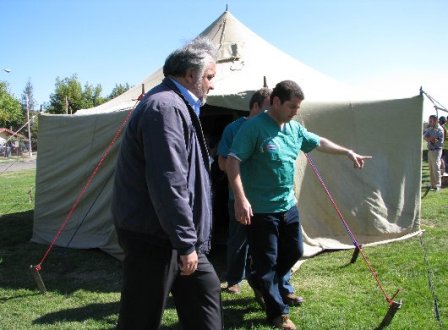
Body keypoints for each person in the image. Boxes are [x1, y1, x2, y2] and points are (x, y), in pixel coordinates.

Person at [226, 80, 372, 330]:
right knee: (268, 261)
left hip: (287, 204)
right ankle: (278, 314)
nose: (296, 111)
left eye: (298, 107)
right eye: (292, 106)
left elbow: (320, 142)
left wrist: (347, 152)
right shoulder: (253, 128)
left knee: (294, 251)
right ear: (275, 102)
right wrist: (241, 199)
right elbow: (232, 161)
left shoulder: (294, 128)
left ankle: (260, 279)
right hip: (260, 209)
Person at [112, 37, 223, 330]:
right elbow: (169, 182)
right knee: (140, 319)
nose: (212, 85)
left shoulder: (178, 105)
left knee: (206, 294)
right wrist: (186, 242)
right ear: (190, 76)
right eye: (210, 77)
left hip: (175, 235)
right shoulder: (166, 108)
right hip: (154, 237)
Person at [217, 88, 303, 308]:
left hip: (271, 201)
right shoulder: (234, 129)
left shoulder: (280, 127)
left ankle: (283, 287)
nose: (271, 111)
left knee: (277, 249)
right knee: (240, 241)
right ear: (255, 106)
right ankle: (235, 280)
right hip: (240, 196)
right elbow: (223, 162)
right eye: (267, 106)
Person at [424, 115, 444, 191]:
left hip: (437, 150)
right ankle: (433, 184)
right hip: (430, 150)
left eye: (431, 121)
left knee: (436, 167)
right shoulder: (430, 128)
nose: (429, 122)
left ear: (435, 121)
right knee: (431, 168)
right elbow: (425, 136)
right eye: (429, 121)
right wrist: (429, 138)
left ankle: (437, 185)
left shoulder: (439, 129)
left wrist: (429, 138)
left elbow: (434, 139)